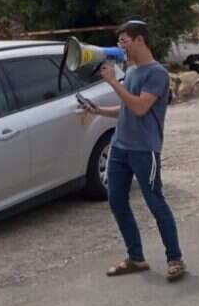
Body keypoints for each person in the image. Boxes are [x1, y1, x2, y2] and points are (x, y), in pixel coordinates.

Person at [78, 21, 186, 282]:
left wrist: (112, 82)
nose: (120, 46)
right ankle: (136, 257)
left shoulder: (157, 74)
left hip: (144, 150)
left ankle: (175, 259)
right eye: (119, 42)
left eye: (124, 41)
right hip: (120, 147)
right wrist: (98, 110)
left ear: (140, 40)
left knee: (155, 203)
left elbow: (139, 107)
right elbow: (126, 108)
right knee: (116, 201)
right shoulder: (132, 71)